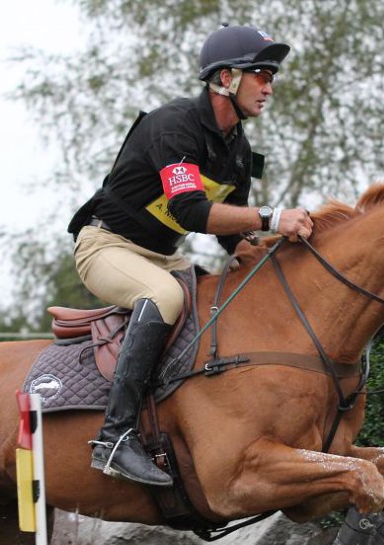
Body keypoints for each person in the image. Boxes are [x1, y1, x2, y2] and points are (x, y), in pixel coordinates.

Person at [69, 24, 315, 486]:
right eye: (259, 73)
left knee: (213, 300)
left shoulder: (238, 151)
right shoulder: (174, 125)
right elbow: (189, 210)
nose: (269, 86)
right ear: (225, 79)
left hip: (161, 256)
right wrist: (271, 216)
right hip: (105, 246)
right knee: (164, 296)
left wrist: (274, 254)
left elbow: (231, 234)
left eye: (272, 75)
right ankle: (114, 438)